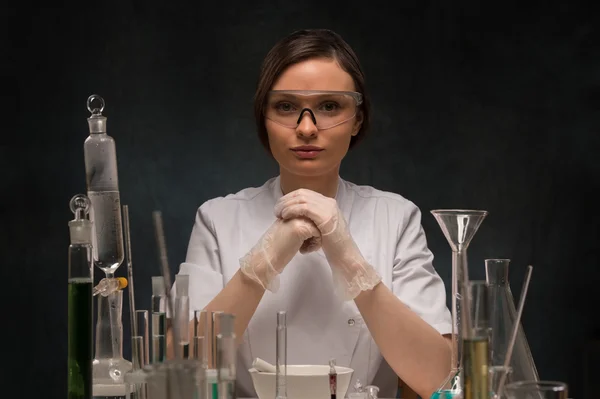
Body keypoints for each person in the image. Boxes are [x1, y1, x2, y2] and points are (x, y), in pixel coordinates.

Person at [175, 28, 452, 399]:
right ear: (264, 117)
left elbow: (439, 379)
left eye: (329, 106)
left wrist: (351, 261)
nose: (306, 128)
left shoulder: (396, 218)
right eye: (286, 106)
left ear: (357, 119)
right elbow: (183, 373)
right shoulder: (218, 219)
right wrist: (266, 258)